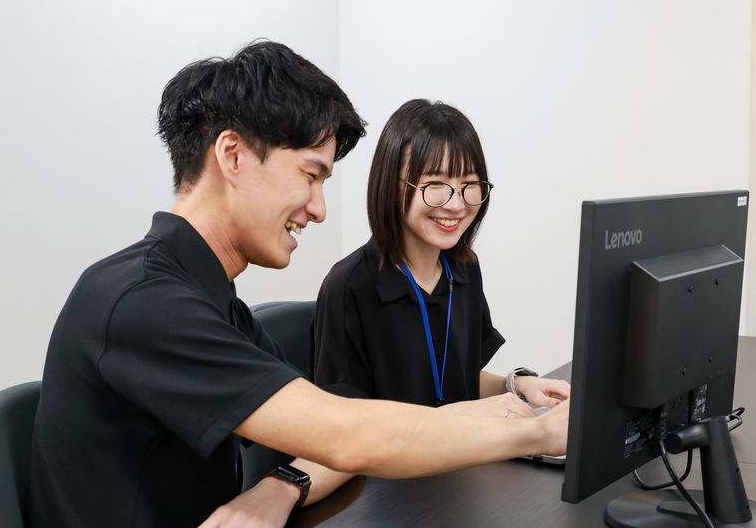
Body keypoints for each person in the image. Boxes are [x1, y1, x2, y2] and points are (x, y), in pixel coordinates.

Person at [29, 42, 569, 528]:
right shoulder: (144, 301)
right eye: (310, 176)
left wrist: (279, 488)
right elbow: (345, 433)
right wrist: (541, 432)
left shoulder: (213, 302)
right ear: (233, 156)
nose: (318, 208)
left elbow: (324, 426)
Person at [230, 100, 571, 525]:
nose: (456, 204)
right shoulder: (350, 286)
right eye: (436, 185)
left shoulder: (463, 269)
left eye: (470, 185)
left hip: (457, 483)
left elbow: (455, 379)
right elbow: (340, 437)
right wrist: (277, 490)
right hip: (381, 499)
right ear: (393, 186)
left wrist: (516, 385)